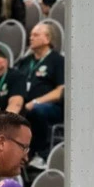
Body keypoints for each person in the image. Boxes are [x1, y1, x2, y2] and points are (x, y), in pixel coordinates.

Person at [16, 22, 64, 168]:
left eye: (36, 35)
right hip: (26, 104)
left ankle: (40, 154)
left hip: (51, 107)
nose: (31, 38)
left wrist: (36, 101)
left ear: (47, 39)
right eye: (30, 35)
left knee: (37, 111)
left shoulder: (57, 61)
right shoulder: (25, 62)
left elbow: (60, 90)